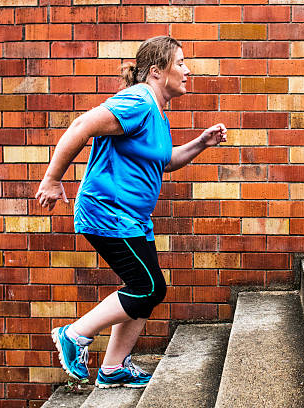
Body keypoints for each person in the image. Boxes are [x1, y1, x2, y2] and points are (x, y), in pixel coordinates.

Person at [35, 36, 227, 388]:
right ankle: (74, 334)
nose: (187, 71)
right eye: (180, 63)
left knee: (144, 287)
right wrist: (52, 179)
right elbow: (81, 126)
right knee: (148, 287)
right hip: (108, 212)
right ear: (157, 71)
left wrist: (201, 143)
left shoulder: (156, 110)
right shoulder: (137, 100)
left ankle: (113, 368)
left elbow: (163, 163)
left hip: (132, 218)